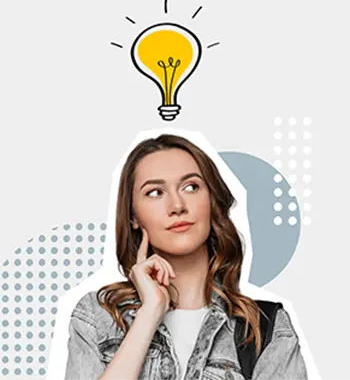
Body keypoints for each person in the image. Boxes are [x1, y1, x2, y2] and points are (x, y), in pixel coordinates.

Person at [64, 133, 308, 380]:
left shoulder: (265, 329)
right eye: (155, 192)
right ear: (133, 216)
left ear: (212, 200)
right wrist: (149, 314)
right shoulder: (97, 316)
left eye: (191, 187)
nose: (177, 205)